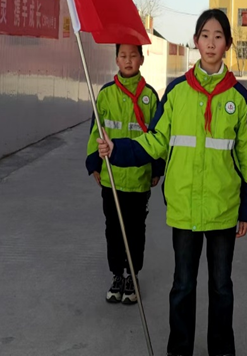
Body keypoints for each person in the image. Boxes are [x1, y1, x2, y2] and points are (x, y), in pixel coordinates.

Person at [97, 9, 247, 356]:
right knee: (183, 285)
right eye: (205, 36)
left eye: (218, 36)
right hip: (184, 207)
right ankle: (179, 350)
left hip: (223, 208)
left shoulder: (239, 98)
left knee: (221, 287)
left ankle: (221, 350)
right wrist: (117, 149)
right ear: (196, 41)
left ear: (227, 44)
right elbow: (156, 139)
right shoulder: (177, 92)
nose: (211, 43)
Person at [86, 43, 163, 305]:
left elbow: (158, 136)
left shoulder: (150, 96)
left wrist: (156, 168)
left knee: (136, 229)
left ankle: (132, 275)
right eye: (123, 56)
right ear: (116, 60)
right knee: (113, 228)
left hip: (139, 178)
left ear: (141, 59)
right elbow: (96, 130)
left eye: (133, 56)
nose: (128, 60)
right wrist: (94, 164)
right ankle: (117, 275)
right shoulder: (106, 94)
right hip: (112, 177)